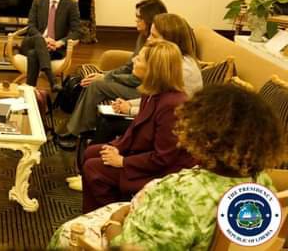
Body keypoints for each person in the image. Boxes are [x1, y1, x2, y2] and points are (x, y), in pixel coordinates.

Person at [49, 84, 288, 250]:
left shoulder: (178, 195)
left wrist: (114, 222)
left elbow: (125, 247)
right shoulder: (263, 183)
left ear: (201, 134)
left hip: (132, 232)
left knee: (65, 234)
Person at [81, 40, 196, 213]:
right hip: (144, 154)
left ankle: (111, 215)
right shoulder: (151, 93)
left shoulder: (172, 105)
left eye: (139, 59)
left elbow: (164, 158)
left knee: (93, 168)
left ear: (153, 69)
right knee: (91, 152)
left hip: (164, 172)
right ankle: (98, 210)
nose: (134, 60)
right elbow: (135, 130)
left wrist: (123, 161)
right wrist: (116, 147)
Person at [57, 0, 167, 148]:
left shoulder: (158, 46)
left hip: (142, 89)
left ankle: (76, 133)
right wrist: (104, 74)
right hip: (133, 82)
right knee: (90, 78)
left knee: (97, 85)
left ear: (150, 20)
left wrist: (106, 77)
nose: (135, 20)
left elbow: (137, 79)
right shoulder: (143, 37)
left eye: (139, 17)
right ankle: (73, 121)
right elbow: (128, 67)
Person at [94, 13, 203, 144]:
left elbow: (166, 109)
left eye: (154, 36)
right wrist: (130, 103)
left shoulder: (180, 69)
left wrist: (129, 109)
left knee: (108, 123)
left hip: (173, 125)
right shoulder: (170, 62)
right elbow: (155, 98)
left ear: (170, 41)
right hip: (161, 116)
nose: (148, 39)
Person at [21, 0, 81, 90]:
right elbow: (31, 26)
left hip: (54, 48)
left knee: (33, 54)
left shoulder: (71, 5)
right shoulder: (38, 2)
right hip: (31, 42)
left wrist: (59, 43)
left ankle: (30, 89)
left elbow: (76, 32)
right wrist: (44, 39)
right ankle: (52, 80)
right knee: (39, 39)